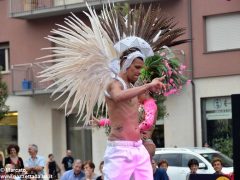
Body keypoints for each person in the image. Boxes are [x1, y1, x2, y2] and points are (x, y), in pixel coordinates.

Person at [103, 47, 166, 180]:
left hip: (138, 147)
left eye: (141, 68)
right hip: (119, 149)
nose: (139, 72)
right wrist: (147, 86)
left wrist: (152, 88)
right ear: (125, 64)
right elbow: (118, 96)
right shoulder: (113, 84)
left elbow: (146, 103)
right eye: (137, 67)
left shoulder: (132, 87)